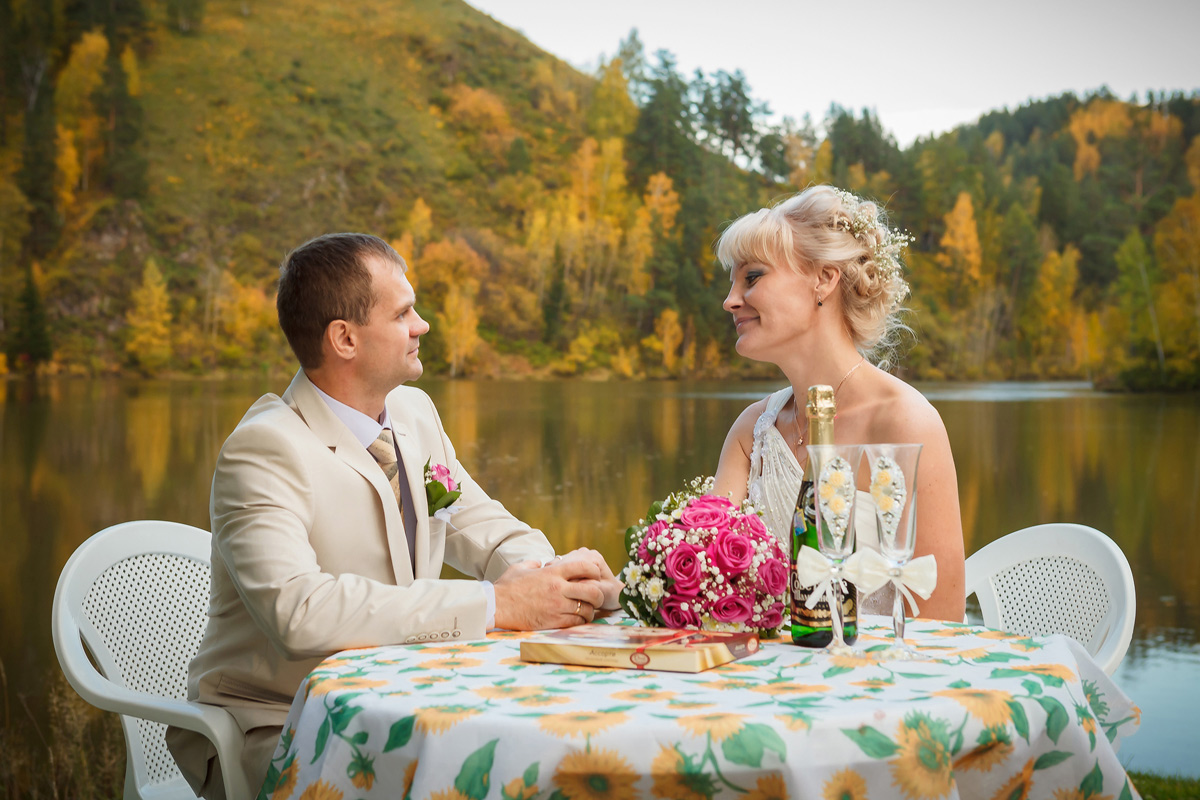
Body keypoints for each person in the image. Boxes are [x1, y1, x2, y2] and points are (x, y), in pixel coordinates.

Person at [166, 233, 621, 799]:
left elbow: (473, 521)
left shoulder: (413, 412)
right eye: (404, 312)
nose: (423, 325)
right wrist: (497, 604)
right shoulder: (262, 450)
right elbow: (300, 611)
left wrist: (554, 577)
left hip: (404, 699)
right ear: (345, 338)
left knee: (542, 761)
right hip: (280, 725)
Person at [712, 186, 965, 622]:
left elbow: (942, 623)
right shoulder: (752, 431)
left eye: (752, 277)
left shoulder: (905, 422)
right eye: (732, 283)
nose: (730, 300)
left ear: (824, 280)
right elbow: (706, 573)